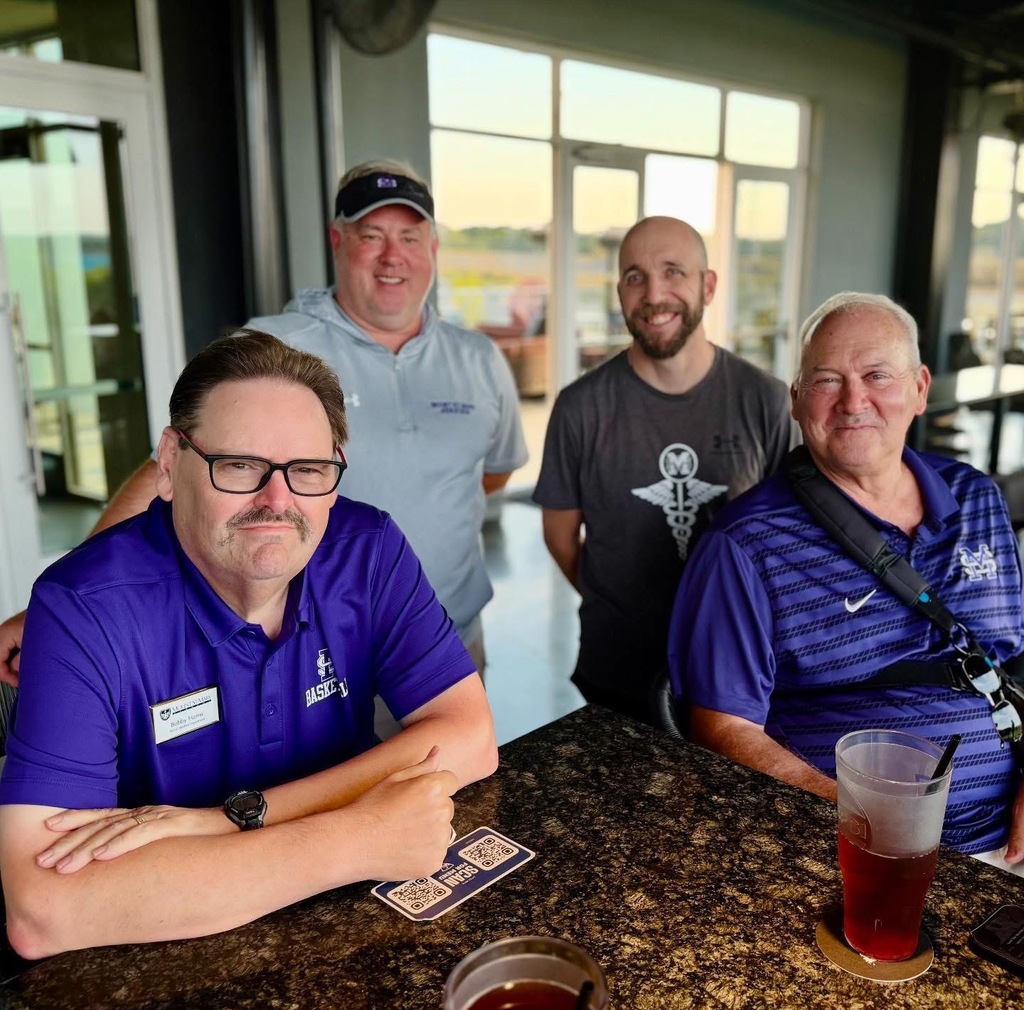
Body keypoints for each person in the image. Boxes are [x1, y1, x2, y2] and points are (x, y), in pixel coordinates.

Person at [0, 331, 498, 958]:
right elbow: (43, 910)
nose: (277, 500)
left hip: (345, 928)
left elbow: (469, 736)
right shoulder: (81, 607)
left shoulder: (365, 549)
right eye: (239, 465)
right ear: (168, 464)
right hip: (166, 946)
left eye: (309, 470)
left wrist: (233, 817)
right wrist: (359, 838)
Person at [0, 158, 527, 686]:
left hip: (447, 636)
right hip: (310, 649)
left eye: (410, 237)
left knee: (457, 763)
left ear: (433, 248)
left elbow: (489, 476)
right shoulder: (273, 348)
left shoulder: (478, 358)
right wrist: (63, 602)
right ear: (337, 240)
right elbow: (170, 478)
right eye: (372, 234)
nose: (394, 256)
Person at [668, 291, 1024, 863]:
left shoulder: (977, 498)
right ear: (796, 401)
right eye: (827, 380)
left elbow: (1009, 666)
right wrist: (865, 825)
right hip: (855, 852)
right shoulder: (744, 545)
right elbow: (725, 729)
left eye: (877, 375)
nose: (854, 400)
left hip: (1009, 836)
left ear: (920, 389)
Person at [533, 216, 798, 722]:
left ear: (709, 285)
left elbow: (786, 539)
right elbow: (560, 534)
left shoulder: (765, 400)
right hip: (617, 669)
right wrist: (617, 602)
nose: (654, 294)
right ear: (620, 292)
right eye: (635, 276)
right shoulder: (580, 407)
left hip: (735, 675)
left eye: (674, 272)